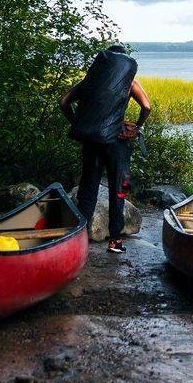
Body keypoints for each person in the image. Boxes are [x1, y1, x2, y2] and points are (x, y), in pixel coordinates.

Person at [60, 44, 151, 253]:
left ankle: (79, 238)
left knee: (88, 189)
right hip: (117, 142)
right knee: (118, 190)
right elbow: (147, 106)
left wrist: (78, 122)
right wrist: (137, 127)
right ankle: (115, 241)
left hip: (92, 141)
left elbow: (63, 102)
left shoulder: (89, 82)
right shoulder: (130, 83)